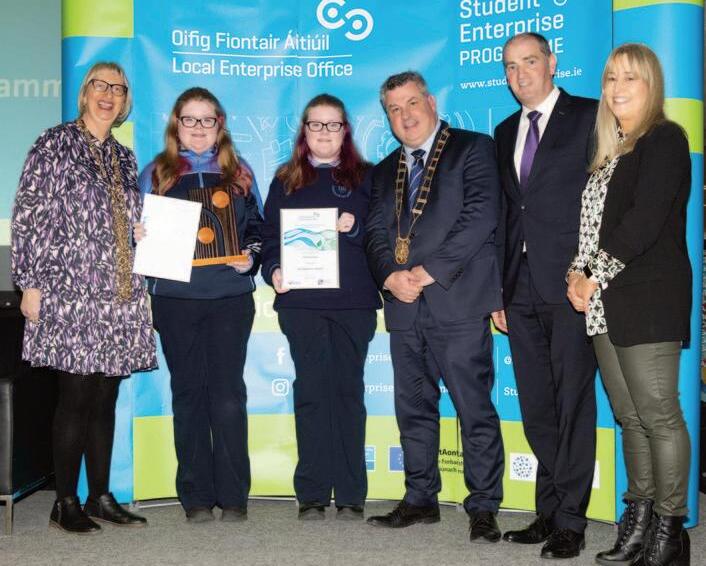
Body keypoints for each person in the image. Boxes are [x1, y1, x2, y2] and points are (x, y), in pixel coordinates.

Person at [11, 61, 156, 534]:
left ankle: (100, 496)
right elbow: (29, 212)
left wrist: (138, 232)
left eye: (118, 88)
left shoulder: (124, 157)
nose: (108, 94)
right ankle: (65, 501)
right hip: (69, 289)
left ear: (125, 100)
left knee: (105, 395)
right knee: (75, 395)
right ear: (85, 93)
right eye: (100, 85)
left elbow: (123, 218)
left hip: (118, 293)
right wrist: (29, 281)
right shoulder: (54, 143)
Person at [365, 71, 504, 543]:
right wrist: (389, 276)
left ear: (430, 101)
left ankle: (483, 505)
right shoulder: (383, 170)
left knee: (473, 408)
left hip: (457, 301)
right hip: (403, 306)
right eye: (394, 109)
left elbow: (481, 215)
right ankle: (420, 498)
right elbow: (374, 233)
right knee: (413, 409)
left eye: (411, 103)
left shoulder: (473, 148)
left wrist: (428, 271)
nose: (404, 115)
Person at [567, 44, 692, 566]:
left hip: (648, 298)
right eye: (611, 77)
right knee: (630, 418)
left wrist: (593, 274)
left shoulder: (665, 138)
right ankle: (637, 523)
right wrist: (576, 274)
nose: (617, 88)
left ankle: (670, 530)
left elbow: (643, 221)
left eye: (631, 78)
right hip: (604, 302)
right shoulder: (608, 151)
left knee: (659, 416)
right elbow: (591, 230)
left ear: (651, 85)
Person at [492, 33, 598, 559]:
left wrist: (589, 272)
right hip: (519, 288)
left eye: (529, 62)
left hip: (571, 285)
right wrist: (498, 290)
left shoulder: (590, 116)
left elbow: (603, 200)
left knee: (572, 402)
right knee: (537, 406)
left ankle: (571, 521)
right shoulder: (504, 130)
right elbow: (506, 215)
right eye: (510, 67)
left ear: (552, 63)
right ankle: (549, 511)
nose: (520, 75)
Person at [137, 87, 263, 523]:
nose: (198, 128)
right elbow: (136, 232)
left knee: (228, 396)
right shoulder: (156, 173)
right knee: (188, 394)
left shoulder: (240, 172)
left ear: (219, 126)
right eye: (189, 119)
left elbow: (258, 229)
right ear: (176, 124)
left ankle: (234, 496)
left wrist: (251, 256)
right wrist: (138, 235)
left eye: (207, 119)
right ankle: (195, 496)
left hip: (230, 299)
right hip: (176, 302)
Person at [261, 94, 381, 520]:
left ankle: (350, 494)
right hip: (302, 304)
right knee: (311, 394)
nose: (325, 132)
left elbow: (385, 236)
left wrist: (356, 227)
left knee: (348, 394)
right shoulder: (285, 179)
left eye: (333, 125)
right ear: (304, 131)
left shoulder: (368, 177)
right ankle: (312, 492)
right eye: (316, 124)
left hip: (353, 302)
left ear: (345, 131)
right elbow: (269, 239)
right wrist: (273, 269)